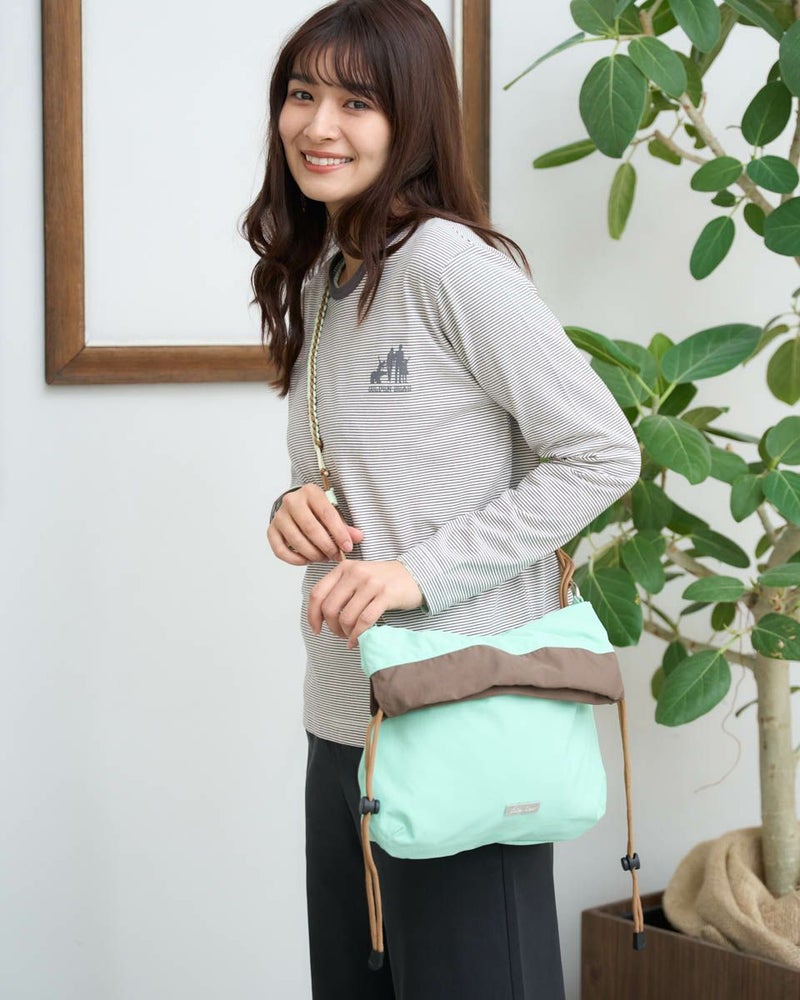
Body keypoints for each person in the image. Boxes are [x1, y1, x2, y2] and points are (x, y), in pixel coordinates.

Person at [242, 1, 641, 997]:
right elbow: (378, 474)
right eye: (301, 93)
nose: (317, 125)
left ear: (410, 117)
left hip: (463, 718)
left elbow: (600, 453)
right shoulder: (324, 278)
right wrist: (294, 505)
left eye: (355, 102)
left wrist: (414, 574)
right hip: (348, 727)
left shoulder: (450, 266)